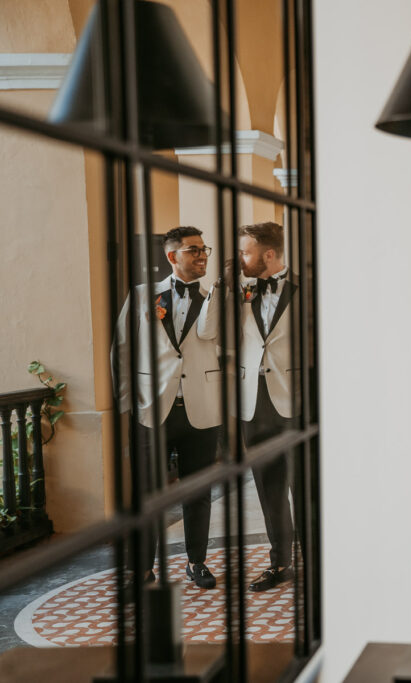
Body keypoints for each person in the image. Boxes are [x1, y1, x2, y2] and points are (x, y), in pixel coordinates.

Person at [114, 226, 221, 589]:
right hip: (151, 410)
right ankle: (142, 568)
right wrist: (129, 404)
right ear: (172, 256)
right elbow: (123, 350)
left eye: (204, 249)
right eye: (194, 250)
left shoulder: (213, 300)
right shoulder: (143, 296)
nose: (202, 254)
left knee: (198, 492)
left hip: (202, 411)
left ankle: (196, 562)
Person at [200, 221, 298, 592]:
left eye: (245, 252)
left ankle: (321, 559)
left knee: (306, 487)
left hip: (297, 401)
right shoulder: (238, 290)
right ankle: (280, 563)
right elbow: (208, 332)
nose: (239, 258)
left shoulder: (308, 288)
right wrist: (222, 286)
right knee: (268, 485)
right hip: (254, 403)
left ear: (268, 254)